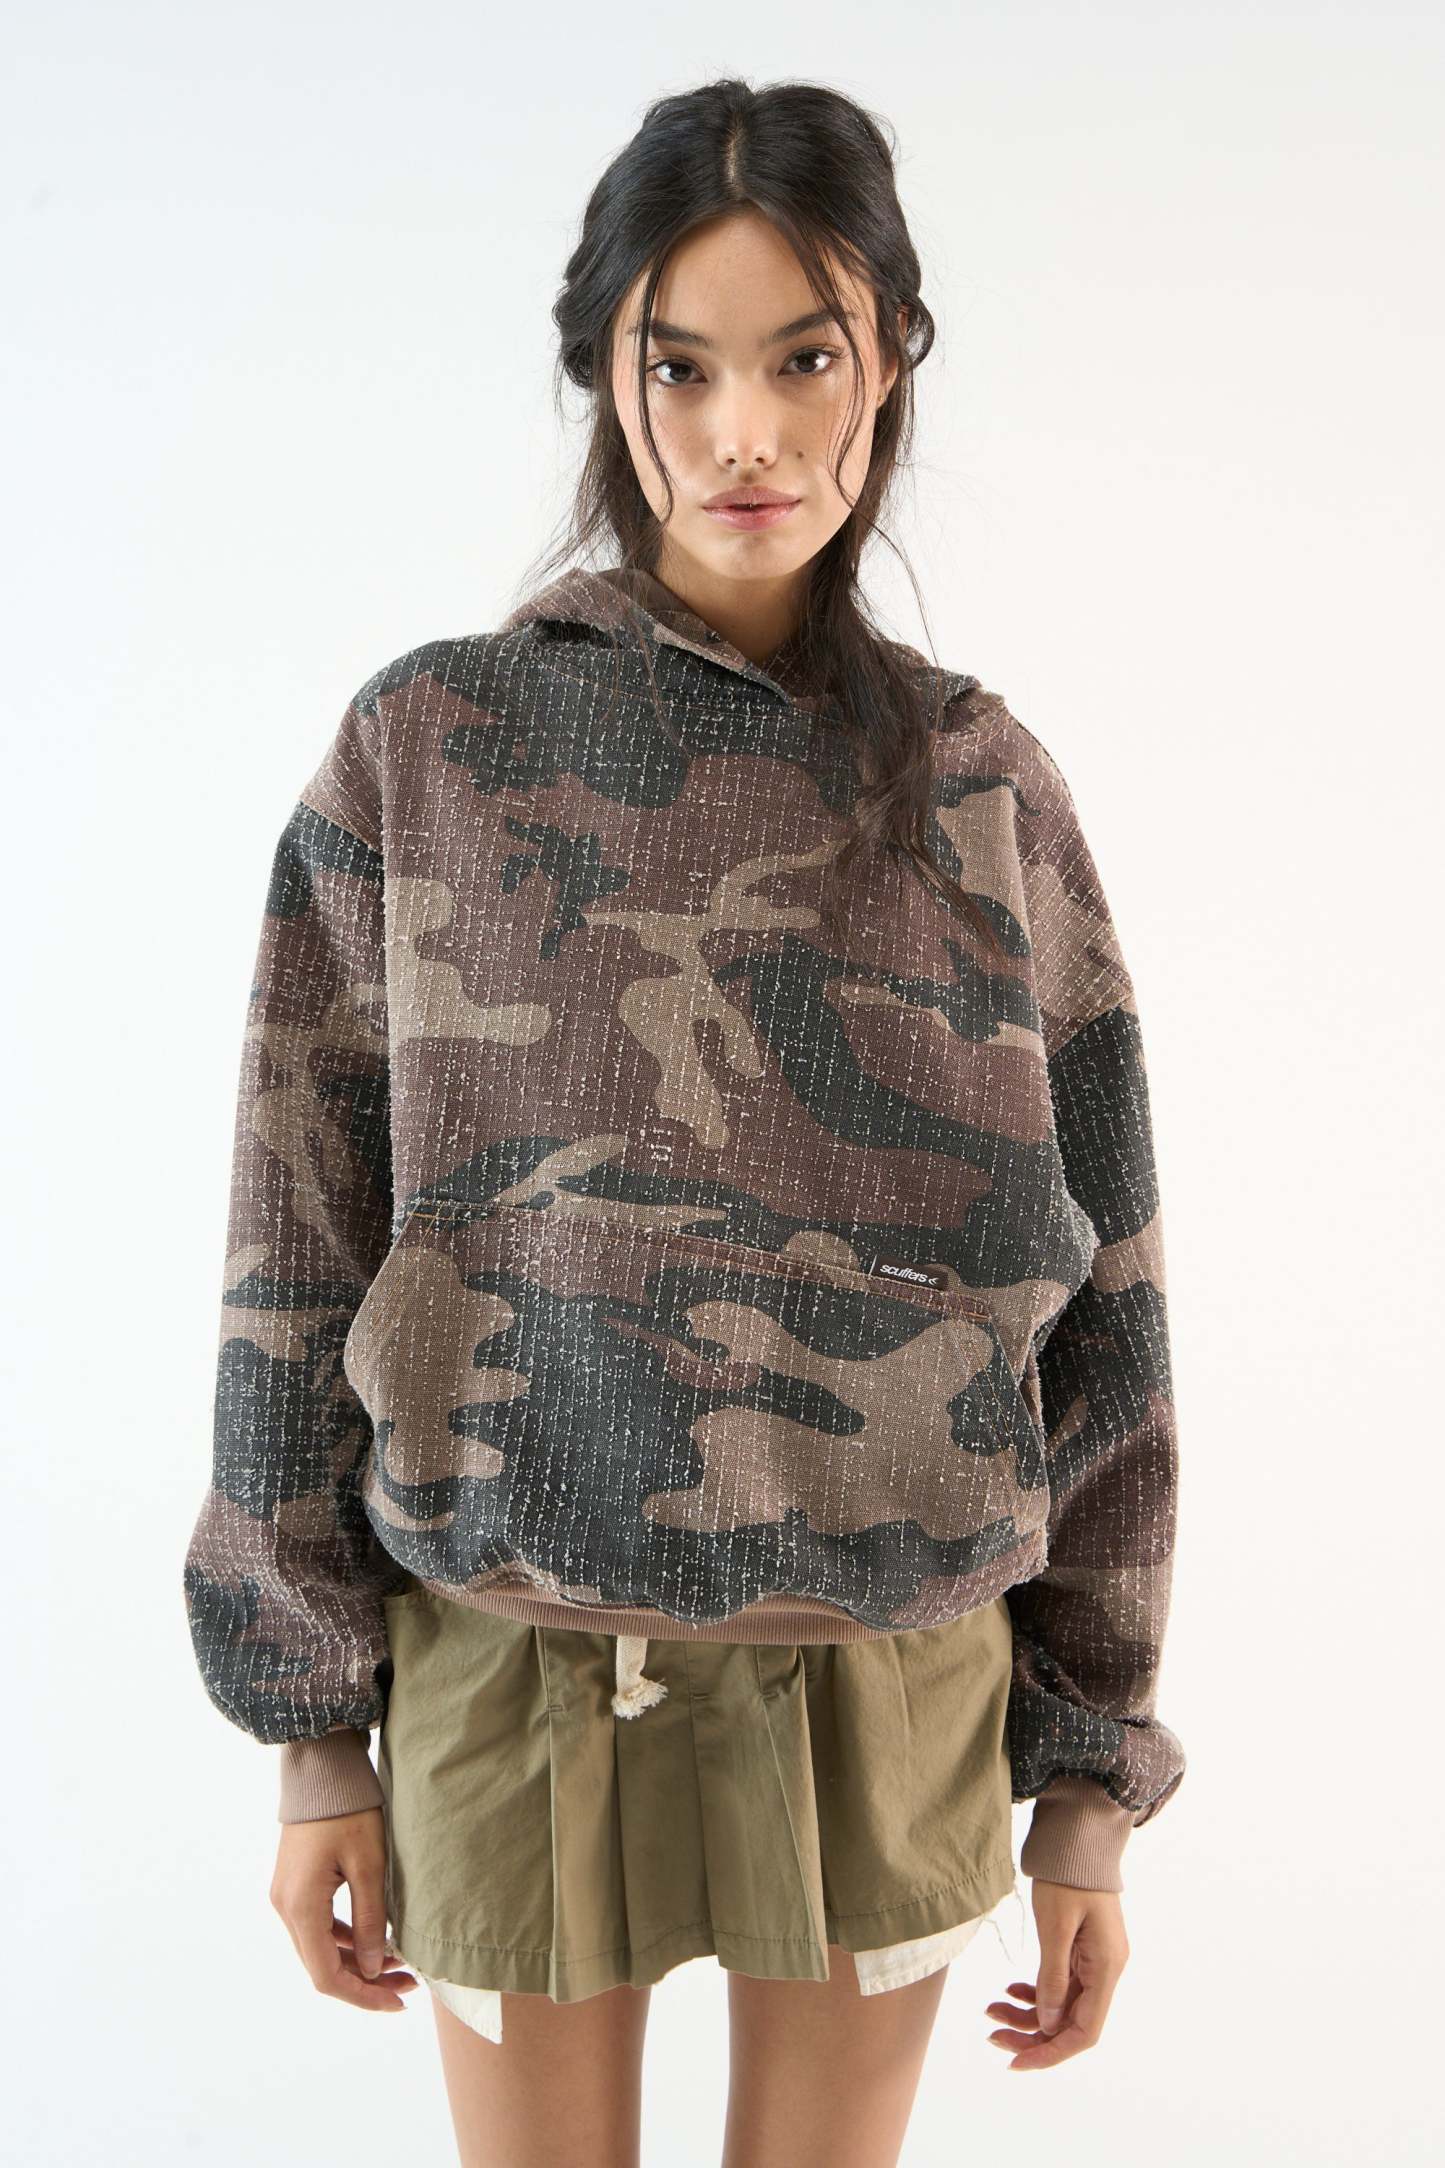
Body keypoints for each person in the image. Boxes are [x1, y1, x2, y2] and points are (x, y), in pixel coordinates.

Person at [183, 75, 1185, 2168]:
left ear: (889, 361)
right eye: (684, 366)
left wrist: (1089, 1773)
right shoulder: (427, 750)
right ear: (606, 376)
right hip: (511, 1652)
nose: (748, 434)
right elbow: (298, 1238)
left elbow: (1111, 1292)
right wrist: (311, 1730)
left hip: (893, 1664)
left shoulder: (980, 786)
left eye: (804, 360)